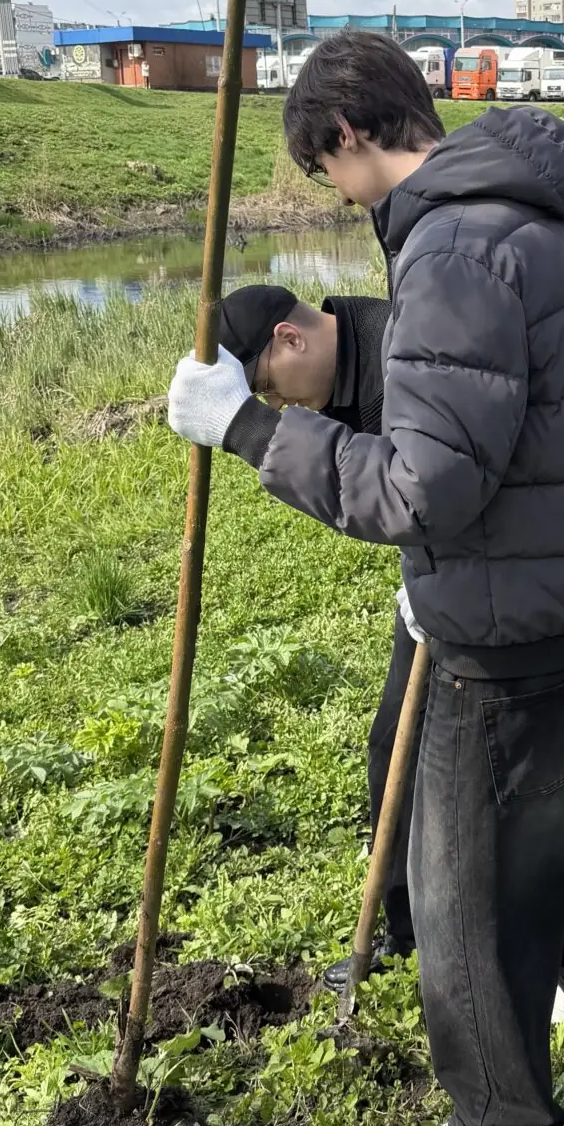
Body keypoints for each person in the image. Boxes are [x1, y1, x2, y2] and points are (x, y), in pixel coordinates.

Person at [167, 34, 564, 1126]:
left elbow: (421, 487)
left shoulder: (450, 249)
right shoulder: (535, 216)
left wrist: (249, 429)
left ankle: (496, 1122)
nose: (334, 195)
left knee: (463, 875)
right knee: (551, 824)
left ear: (348, 137)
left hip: (503, 615)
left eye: (322, 170)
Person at [215, 282, 418, 961]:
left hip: (494, 579)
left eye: (270, 389)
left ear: (290, 338)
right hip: (437, 579)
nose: (278, 405)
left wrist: (255, 432)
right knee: (395, 747)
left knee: (503, 775)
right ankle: (407, 930)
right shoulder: (347, 362)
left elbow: (407, 494)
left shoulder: (400, 354)